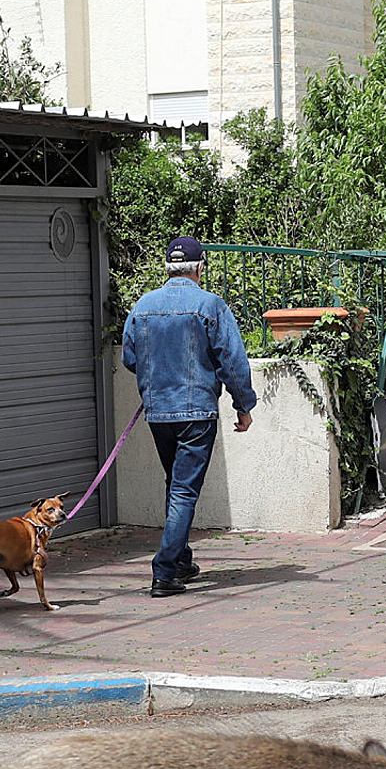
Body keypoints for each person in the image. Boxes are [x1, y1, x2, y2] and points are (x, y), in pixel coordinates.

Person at [120, 236, 257, 597]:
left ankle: (179, 560)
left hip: (159, 411)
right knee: (183, 489)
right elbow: (232, 362)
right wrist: (243, 405)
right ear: (200, 267)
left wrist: (158, 379)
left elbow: (130, 359)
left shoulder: (143, 306)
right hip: (196, 411)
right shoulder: (210, 305)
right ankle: (164, 571)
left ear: (168, 267)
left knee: (175, 483)